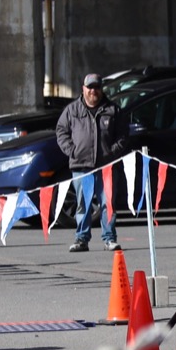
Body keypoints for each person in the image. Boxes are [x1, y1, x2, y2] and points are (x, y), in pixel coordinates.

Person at [55, 73, 126, 252]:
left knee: (108, 203)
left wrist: (112, 152)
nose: (93, 91)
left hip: (107, 166)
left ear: (101, 89)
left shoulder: (113, 110)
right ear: (83, 89)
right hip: (81, 166)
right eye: (90, 87)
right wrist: (72, 151)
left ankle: (109, 239)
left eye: (97, 87)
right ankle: (81, 239)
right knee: (83, 204)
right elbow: (61, 131)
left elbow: (123, 135)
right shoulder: (72, 110)